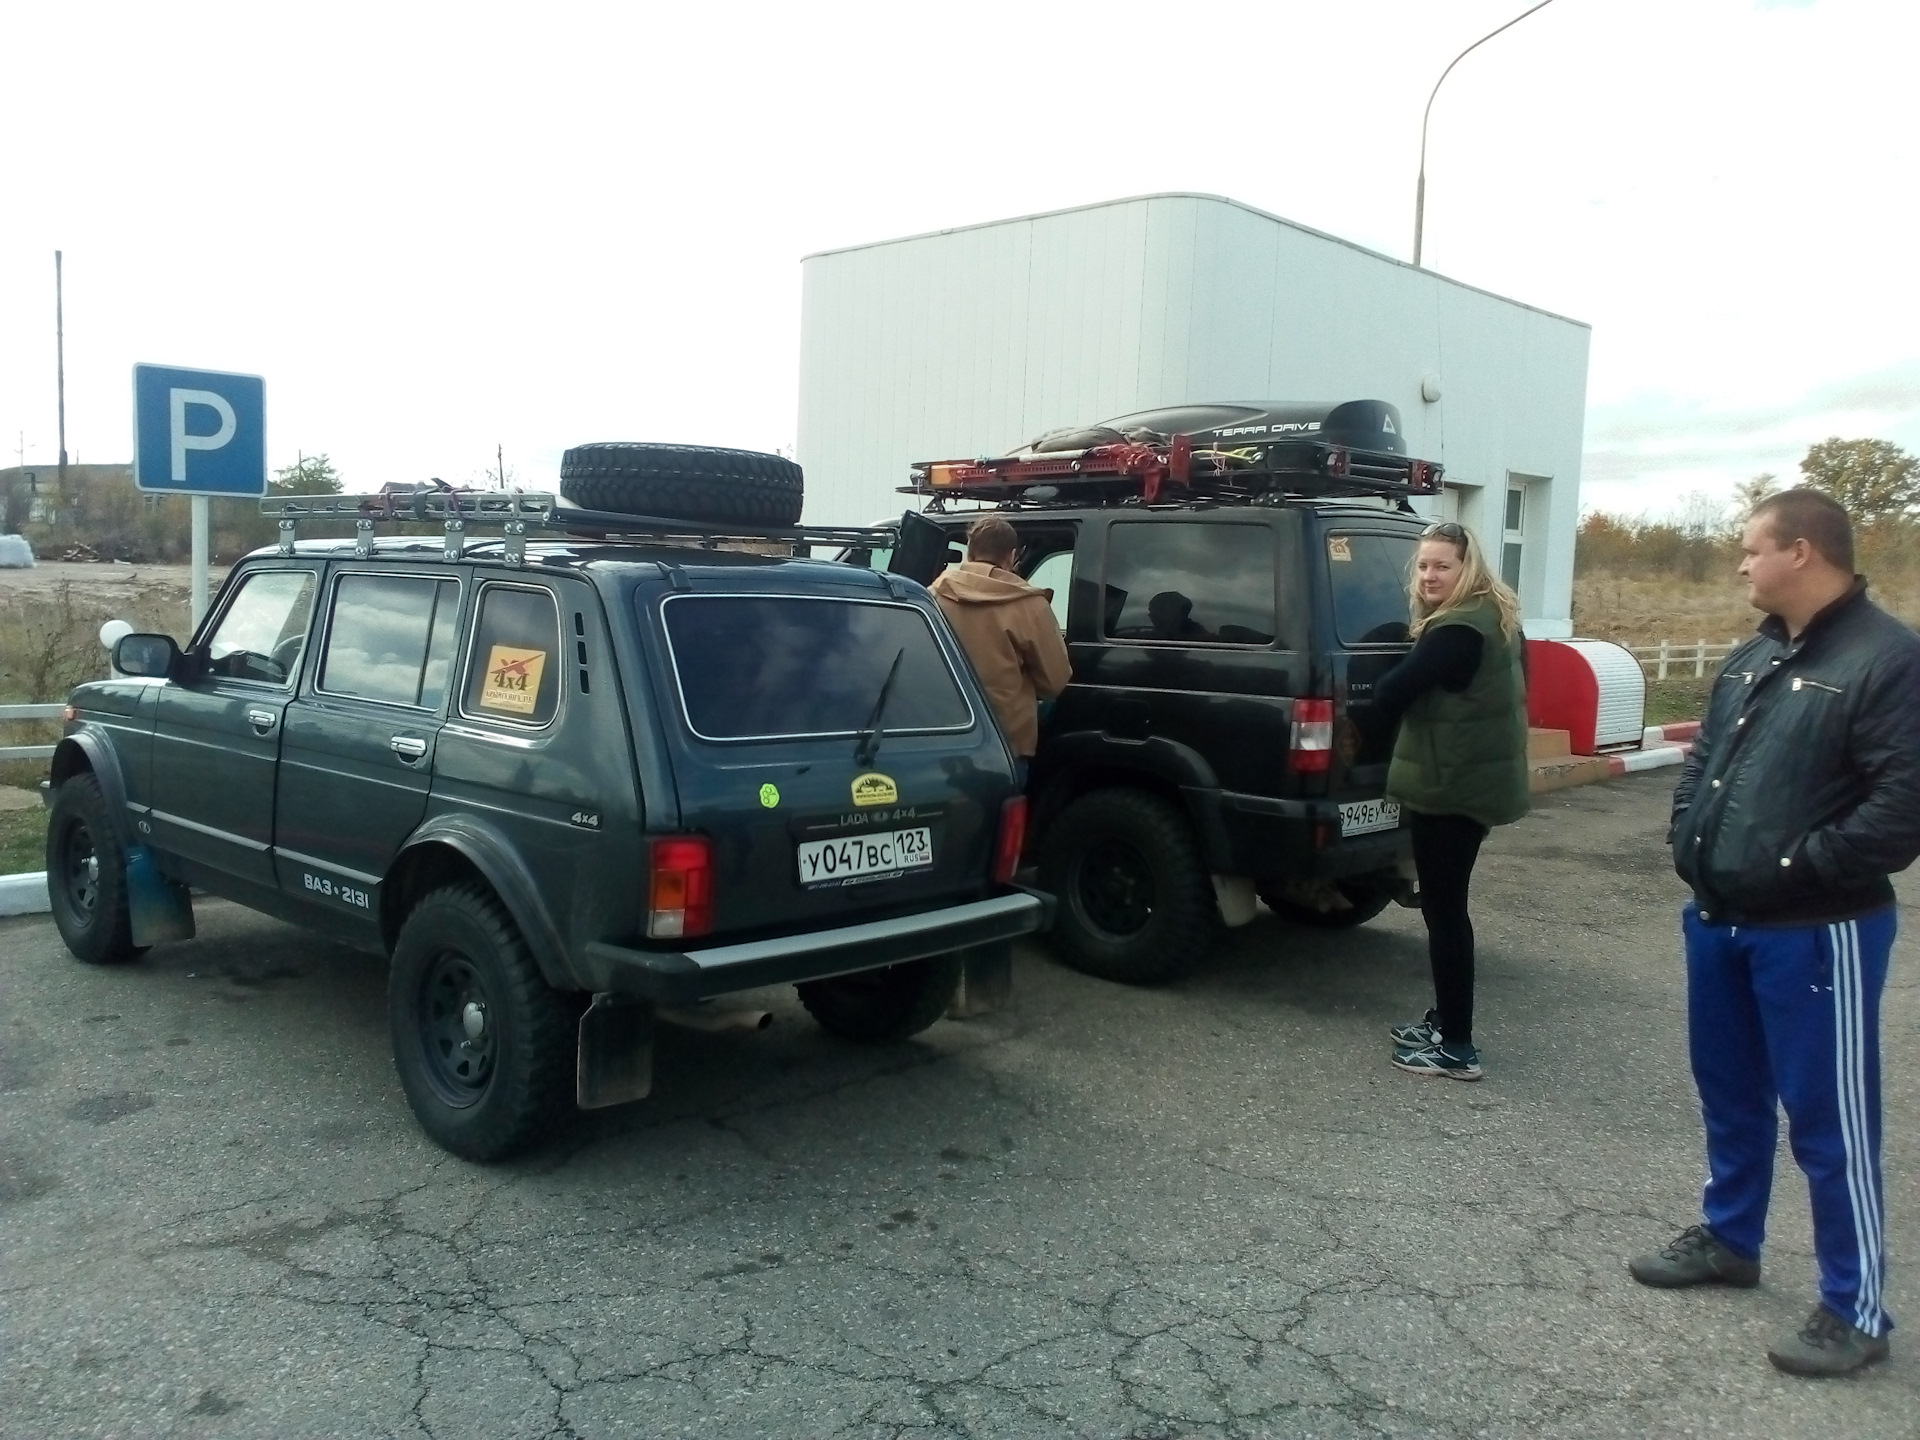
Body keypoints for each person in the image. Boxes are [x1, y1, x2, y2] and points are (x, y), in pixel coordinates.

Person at [1630, 488, 1920, 1377]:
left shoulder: (1887, 659)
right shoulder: (1755, 654)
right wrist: (1690, 842)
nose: (1742, 565)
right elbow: (1704, 763)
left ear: (1801, 552)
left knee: (1830, 1121)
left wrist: (1793, 867)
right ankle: (1730, 1239)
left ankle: (1855, 1307)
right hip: (1719, 919)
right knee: (1730, 1093)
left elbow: (1902, 808)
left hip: (1815, 929)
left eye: (1752, 550)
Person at [1368, 520, 1530, 1081]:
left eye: (1443, 565)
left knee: (1445, 913)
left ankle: (1456, 1047)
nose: (1430, 575)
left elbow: (1392, 692)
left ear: (1468, 569)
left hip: (1451, 788)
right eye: (1423, 565)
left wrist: (1361, 743)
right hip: (1471, 781)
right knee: (1445, 909)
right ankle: (1444, 1021)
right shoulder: (1495, 616)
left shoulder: (1458, 629)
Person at [928, 515, 1072, 785]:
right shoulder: (1030, 604)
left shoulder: (931, 596)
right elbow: (1055, 682)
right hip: (1004, 745)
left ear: (969, 552)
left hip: (943, 736)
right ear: (1012, 555)